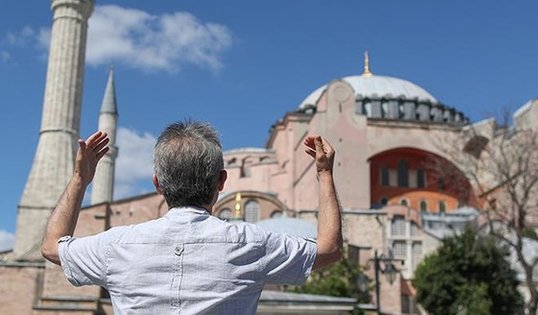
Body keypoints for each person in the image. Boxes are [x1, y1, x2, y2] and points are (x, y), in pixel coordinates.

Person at [41, 121, 343, 314]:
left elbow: (52, 246)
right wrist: (324, 174)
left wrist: (80, 179)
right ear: (221, 182)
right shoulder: (252, 243)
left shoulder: (117, 245)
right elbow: (329, 248)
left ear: (158, 184)